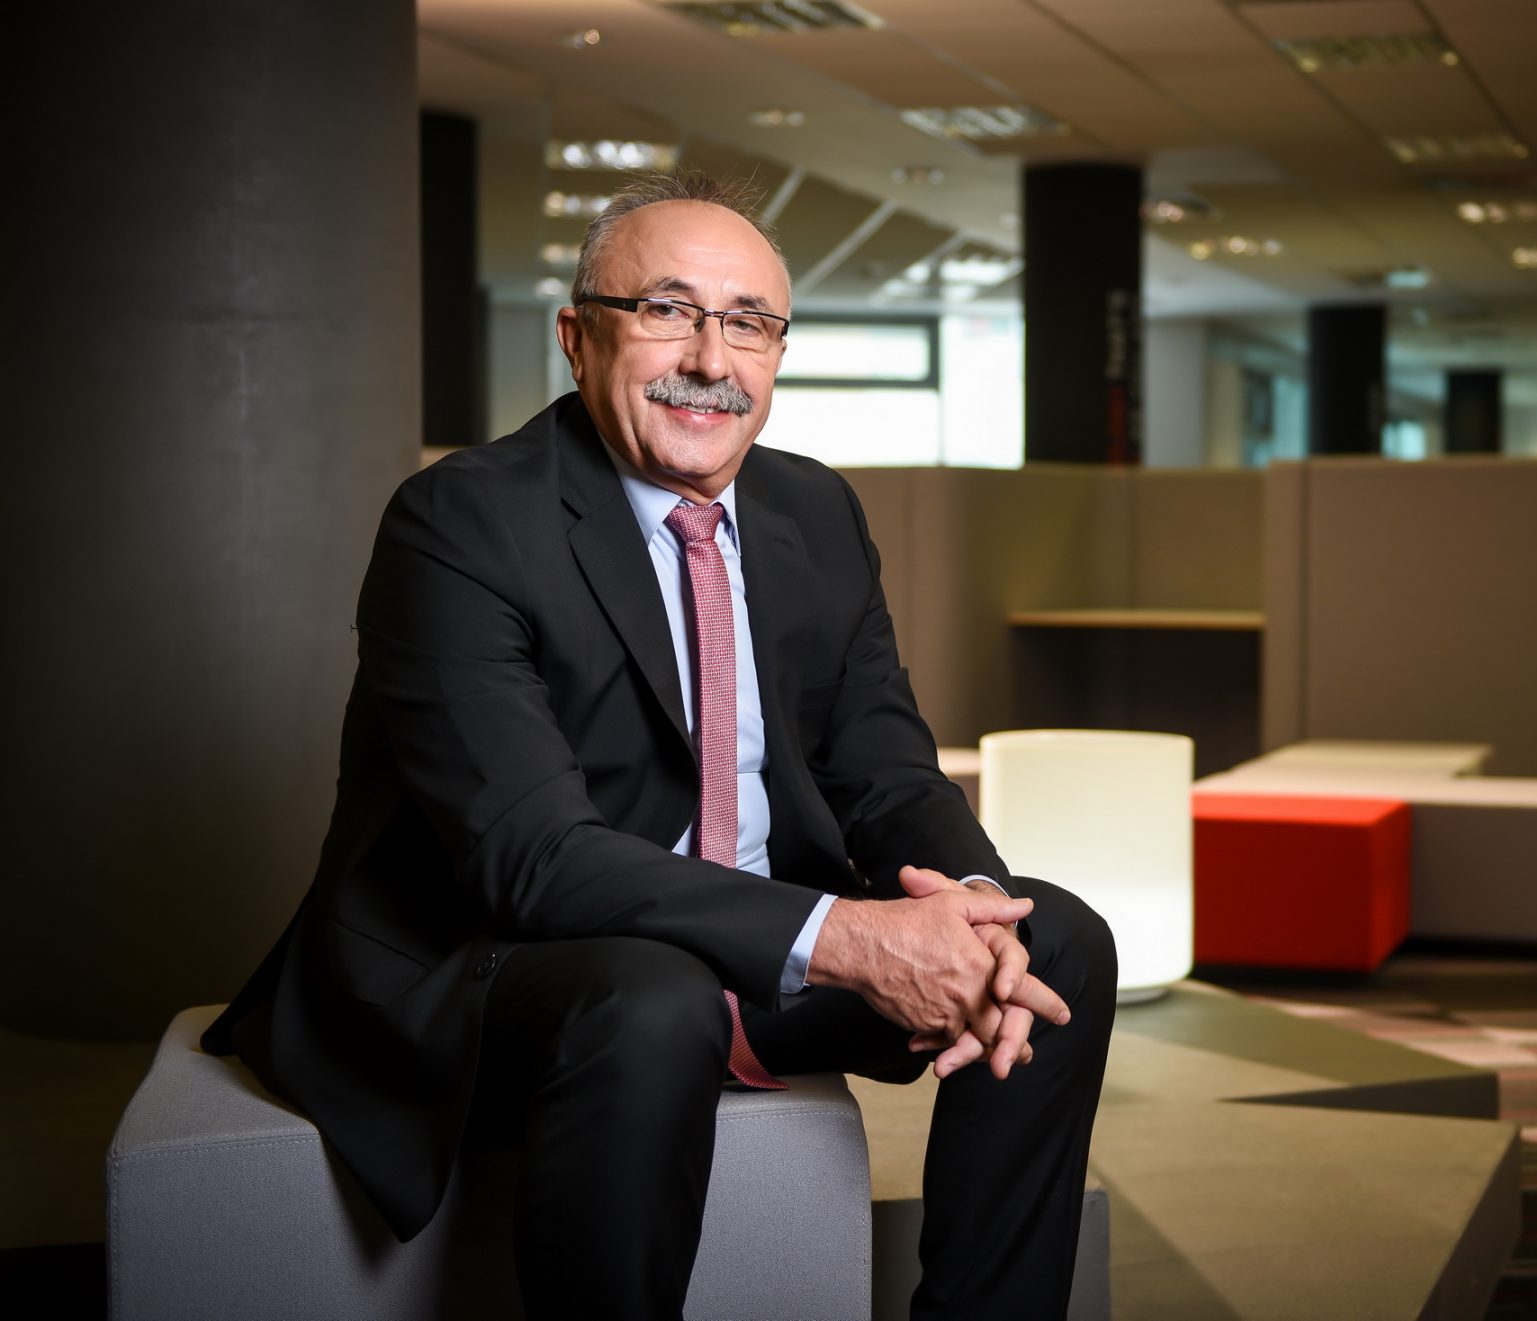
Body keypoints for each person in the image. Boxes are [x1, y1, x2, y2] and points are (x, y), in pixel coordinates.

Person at [202, 170, 1117, 1320]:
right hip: (514, 961)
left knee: (1053, 941)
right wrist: (851, 938)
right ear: (578, 337)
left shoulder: (815, 513)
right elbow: (531, 857)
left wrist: (973, 911)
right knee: (654, 995)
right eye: (668, 310)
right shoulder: (462, 522)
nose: (710, 358)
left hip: (753, 953)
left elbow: (886, 772)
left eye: (749, 323)